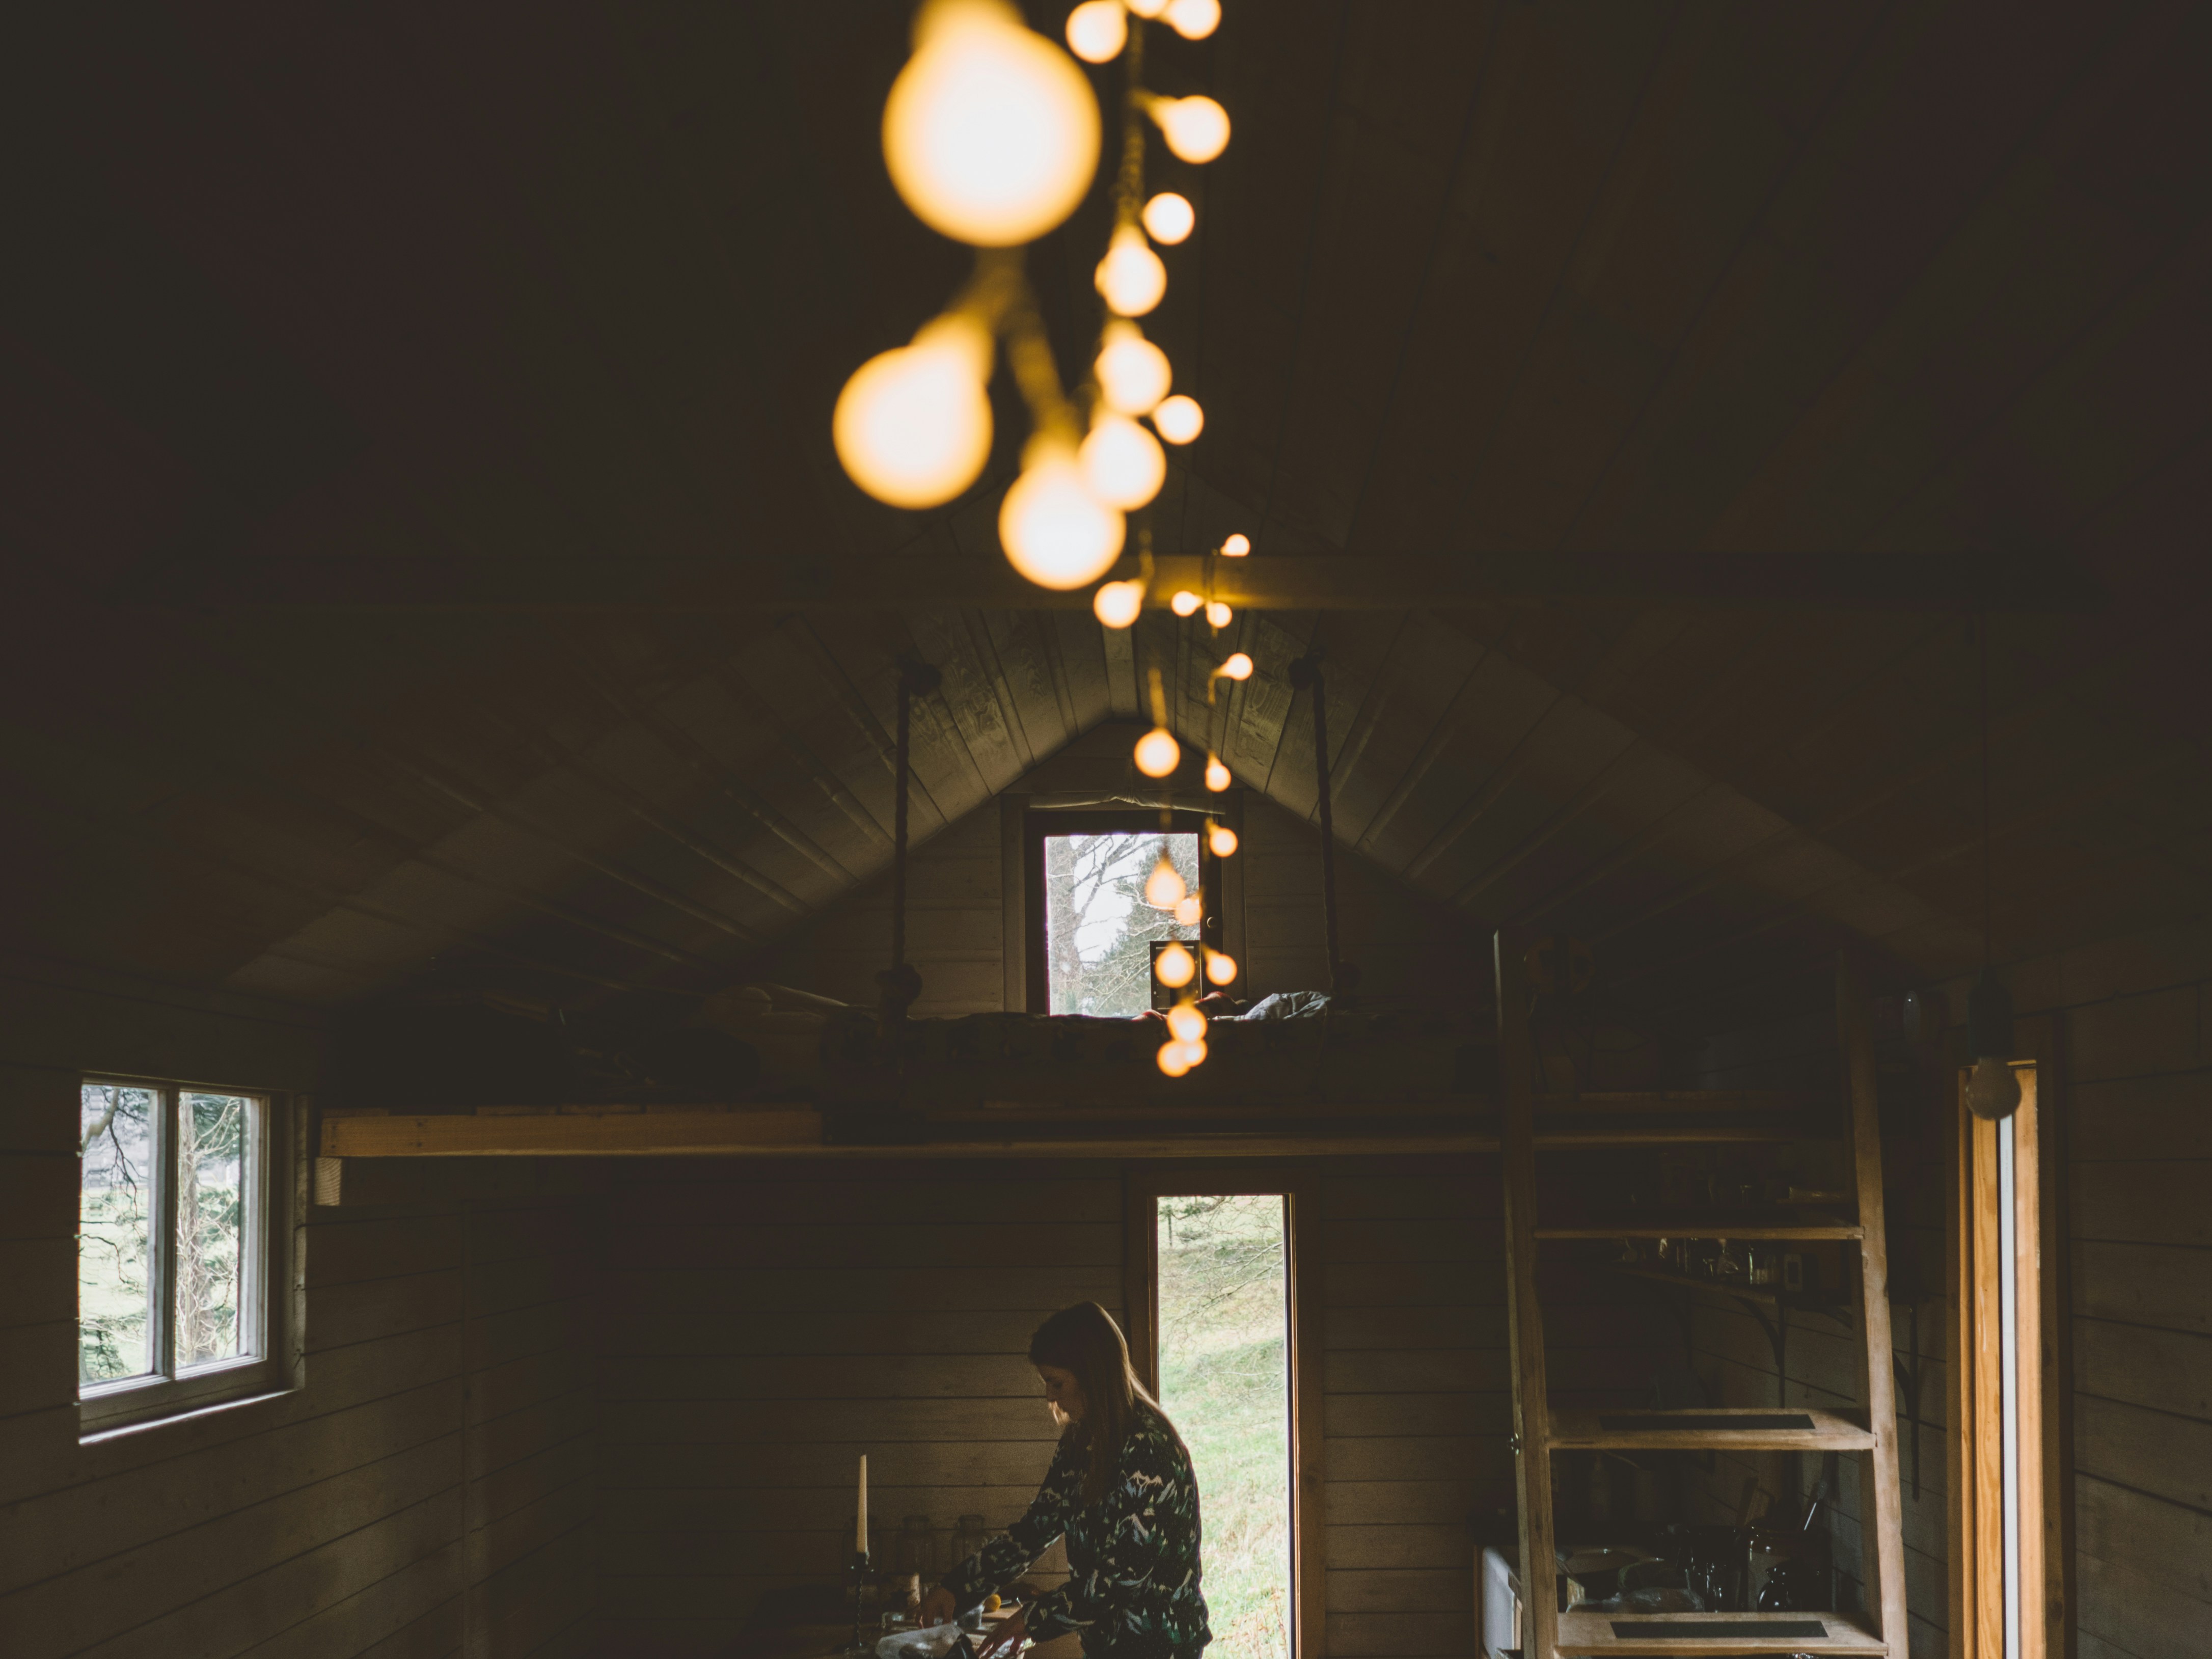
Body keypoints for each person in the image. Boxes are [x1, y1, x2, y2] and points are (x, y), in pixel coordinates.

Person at [920, 1302, 1210, 1659]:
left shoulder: (1149, 1450)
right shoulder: (1079, 1442)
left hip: (1162, 1646)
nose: (1050, 1396)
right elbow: (1035, 1529)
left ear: (1092, 1374)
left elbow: (1122, 1577)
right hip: (1106, 1645)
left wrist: (1032, 1619)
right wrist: (956, 1587)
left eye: (1056, 1382)